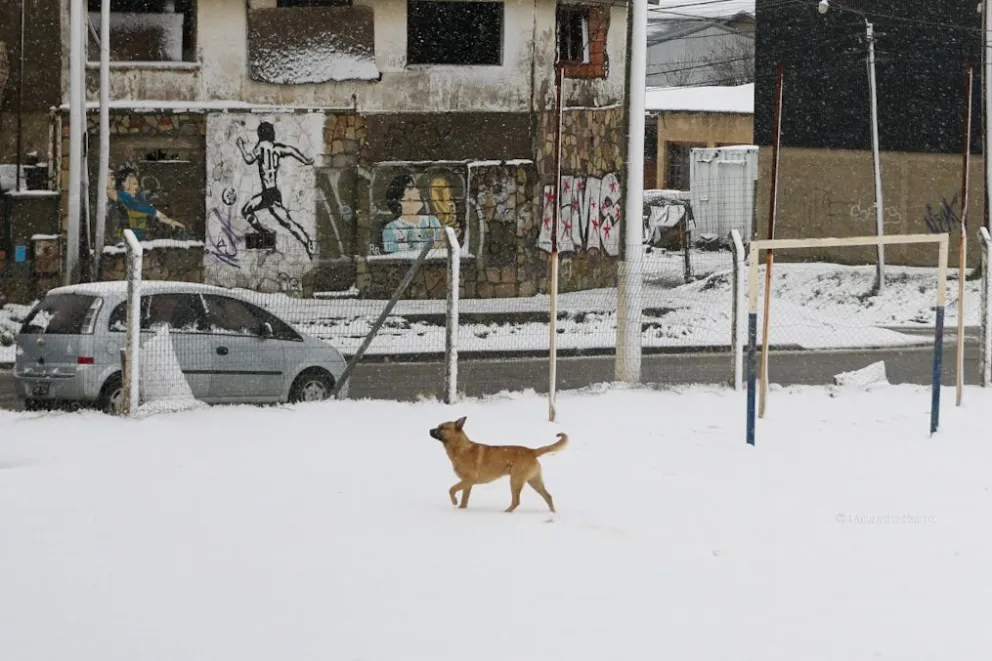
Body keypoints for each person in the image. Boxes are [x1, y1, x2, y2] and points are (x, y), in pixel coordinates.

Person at [237, 121, 316, 259]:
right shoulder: (276, 148)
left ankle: (306, 242)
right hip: (271, 193)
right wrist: (306, 160)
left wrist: (240, 146)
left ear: (260, 134)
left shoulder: (261, 146)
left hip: (269, 194)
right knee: (250, 211)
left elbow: (249, 159)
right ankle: (267, 234)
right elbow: (291, 150)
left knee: (287, 222)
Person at [107, 165, 186, 240]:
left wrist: (170, 221)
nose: (136, 187)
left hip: (140, 239)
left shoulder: (138, 198)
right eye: (134, 184)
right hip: (125, 240)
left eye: (137, 184)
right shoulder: (122, 196)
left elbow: (152, 211)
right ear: (123, 183)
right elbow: (110, 192)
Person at [381, 174, 443, 254]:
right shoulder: (391, 229)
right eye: (410, 188)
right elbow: (393, 258)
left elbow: (441, 252)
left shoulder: (432, 221)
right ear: (400, 200)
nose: (417, 191)